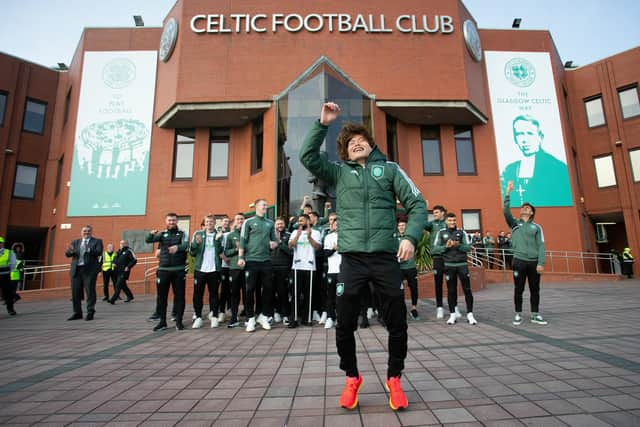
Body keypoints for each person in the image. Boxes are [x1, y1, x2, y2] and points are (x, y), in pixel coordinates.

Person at [300, 102, 427, 411]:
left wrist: (410, 237)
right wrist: (322, 123)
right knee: (344, 323)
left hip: (385, 259)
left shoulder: (391, 169)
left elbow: (418, 204)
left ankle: (394, 378)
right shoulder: (339, 173)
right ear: (344, 153)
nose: (355, 143)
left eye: (360, 140)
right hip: (352, 260)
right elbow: (307, 157)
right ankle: (352, 378)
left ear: (371, 144)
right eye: (348, 143)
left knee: (397, 322)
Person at [500, 115, 571, 207]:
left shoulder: (557, 167)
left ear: (540, 137)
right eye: (520, 134)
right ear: (515, 139)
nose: (525, 140)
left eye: (529, 133)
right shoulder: (509, 170)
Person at [504, 181, 548, 326]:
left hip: (534, 262)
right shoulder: (514, 223)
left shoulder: (537, 227)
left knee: (535, 289)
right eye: (523, 207)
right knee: (519, 288)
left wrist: (541, 262)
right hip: (519, 261)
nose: (524, 208)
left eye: (527, 208)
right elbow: (506, 211)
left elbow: (541, 245)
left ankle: (535, 314)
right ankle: (518, 314)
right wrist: (508, 192)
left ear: (531, 212)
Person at [238, 199, 278, 332]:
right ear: (256, 207)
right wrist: (240, 257)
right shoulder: (248, 222)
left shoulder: (270, 223)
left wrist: (274, 244)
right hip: (251, 260)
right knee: (250, 290)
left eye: (266, 205)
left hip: (266, 260)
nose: (265, 207)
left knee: (267, 289)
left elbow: (274, 241)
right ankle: (250, 318)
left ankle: (263, 316)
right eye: (263, 205)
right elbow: (243, 240)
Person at [145, 213, 188, 331]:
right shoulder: (162, 234)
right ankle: (162, 322)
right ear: (166, 221)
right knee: (161, 297)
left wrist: (177, 248)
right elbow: (148, 240)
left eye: (174, 220)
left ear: (177, 221)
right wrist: (150, 234)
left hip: (178, 270)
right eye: (169, 220)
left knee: (180, 297)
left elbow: (186, 244)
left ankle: (179, 321)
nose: (172, 222)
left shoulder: (182, 233)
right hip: (163, 270)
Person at [433, 213, 477, 325]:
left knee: (467, 289)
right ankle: (452, 315)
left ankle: (470, 315)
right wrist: (445, 247)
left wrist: (458, 245)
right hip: (449, 265)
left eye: (454, 220)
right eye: (450, 220)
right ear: (446, 221)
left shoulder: (462, 232)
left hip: (462, 265)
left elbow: (468, 247)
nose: (452, 222)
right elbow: (434, 249)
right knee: (451, 290)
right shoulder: (441, 232)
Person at [190, 215, 224, 328]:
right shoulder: (198, 234)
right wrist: (196, 243)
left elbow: (221, 252)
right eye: (207, 221)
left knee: (214, 294)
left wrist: (219, 241)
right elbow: (192, 252)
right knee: (197, 294)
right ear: (204, 223)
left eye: (211, 222)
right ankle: (198, 317)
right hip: (200, 269)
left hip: (214, 270)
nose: (209, 223)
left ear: (215, 223)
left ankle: (214, 316)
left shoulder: (219, 235)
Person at [288, 214, 322, 328]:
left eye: (302, 220)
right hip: (297, 266)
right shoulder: (294, 232)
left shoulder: (316, 232)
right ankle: (294, 320)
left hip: (310, 267)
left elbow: (317, 247)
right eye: (299, 221)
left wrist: (309, 237)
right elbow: (290, 245)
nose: (300, 222)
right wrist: (297, 236)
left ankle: (307, 319)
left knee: (309, 294)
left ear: (308, 221)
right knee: (296, 294)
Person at [65, 225, 104, 321]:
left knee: (90, 291)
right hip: (76, 269)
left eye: (88, 231)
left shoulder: (97, 241)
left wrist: (89, 249)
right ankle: (77, 313)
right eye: (84, 231)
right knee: (75, 292)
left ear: (91, 232)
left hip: (89, 270)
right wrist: (70, 250)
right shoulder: (75, 242)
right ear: (81, 232)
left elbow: (99, 252)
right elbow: (68, 254)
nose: (86, 233)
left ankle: (90, 312)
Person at [424, 205, 447, 319]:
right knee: (438, 283)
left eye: (437, 212)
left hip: (449, 257)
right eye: (434, 213)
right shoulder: (432, 224)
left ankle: (455, 307)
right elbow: (422, 223)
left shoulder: (448, 223)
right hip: (437, 257)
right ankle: (439, 308)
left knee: (451, 283)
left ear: (442, 213)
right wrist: (423, 210)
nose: (434, 214)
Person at [225, 213, 246, 328]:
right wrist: (236, 249)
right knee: (235, 294)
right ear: (235, 221)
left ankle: (249, 317)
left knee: (247, 293)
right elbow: (226, 252)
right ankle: (234, 318)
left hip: (247, 267)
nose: (240, 221)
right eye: (238, 219)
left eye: (242, 219)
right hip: (234, 268)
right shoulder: (230, 235)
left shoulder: (249, 234)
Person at [396, 219, 420, 320]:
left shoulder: (411, 238)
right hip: (398, 268)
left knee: (413, 287)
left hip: (410, 267)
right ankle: (400, 309)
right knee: (398, 289)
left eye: (403, 225)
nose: (401, 227)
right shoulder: (394, 238)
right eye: (399, 226)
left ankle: (414, 308)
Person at [271, 216, 293, 325]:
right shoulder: (270, 236)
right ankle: (275, 312)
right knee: (271, 292)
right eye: (277, 224)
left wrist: (280, 242)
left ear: (284, 224)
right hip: (271, 267)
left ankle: (285, 315)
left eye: (281, 224)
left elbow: (291, 252)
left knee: (283, 292)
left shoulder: (289, 235)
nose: (279, 226)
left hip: (284, 267)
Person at [323, 212, 340, 329]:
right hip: (332, 271)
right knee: (330, 296)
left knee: (342, 296)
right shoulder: (328, 237)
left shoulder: (346, 236)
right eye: (334, 223)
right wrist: (334, 249)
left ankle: (340, 317)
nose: (336, 225)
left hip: (344, 271)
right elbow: (326, 254)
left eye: (338, 222)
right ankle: (330, 317)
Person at [0, 237, 17, 315]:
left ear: (3, 244)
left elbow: (13, 264)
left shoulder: (9, 252)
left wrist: (7, 270)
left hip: (5, 276)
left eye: (0, 243)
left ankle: (10, 309)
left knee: (8, 293)